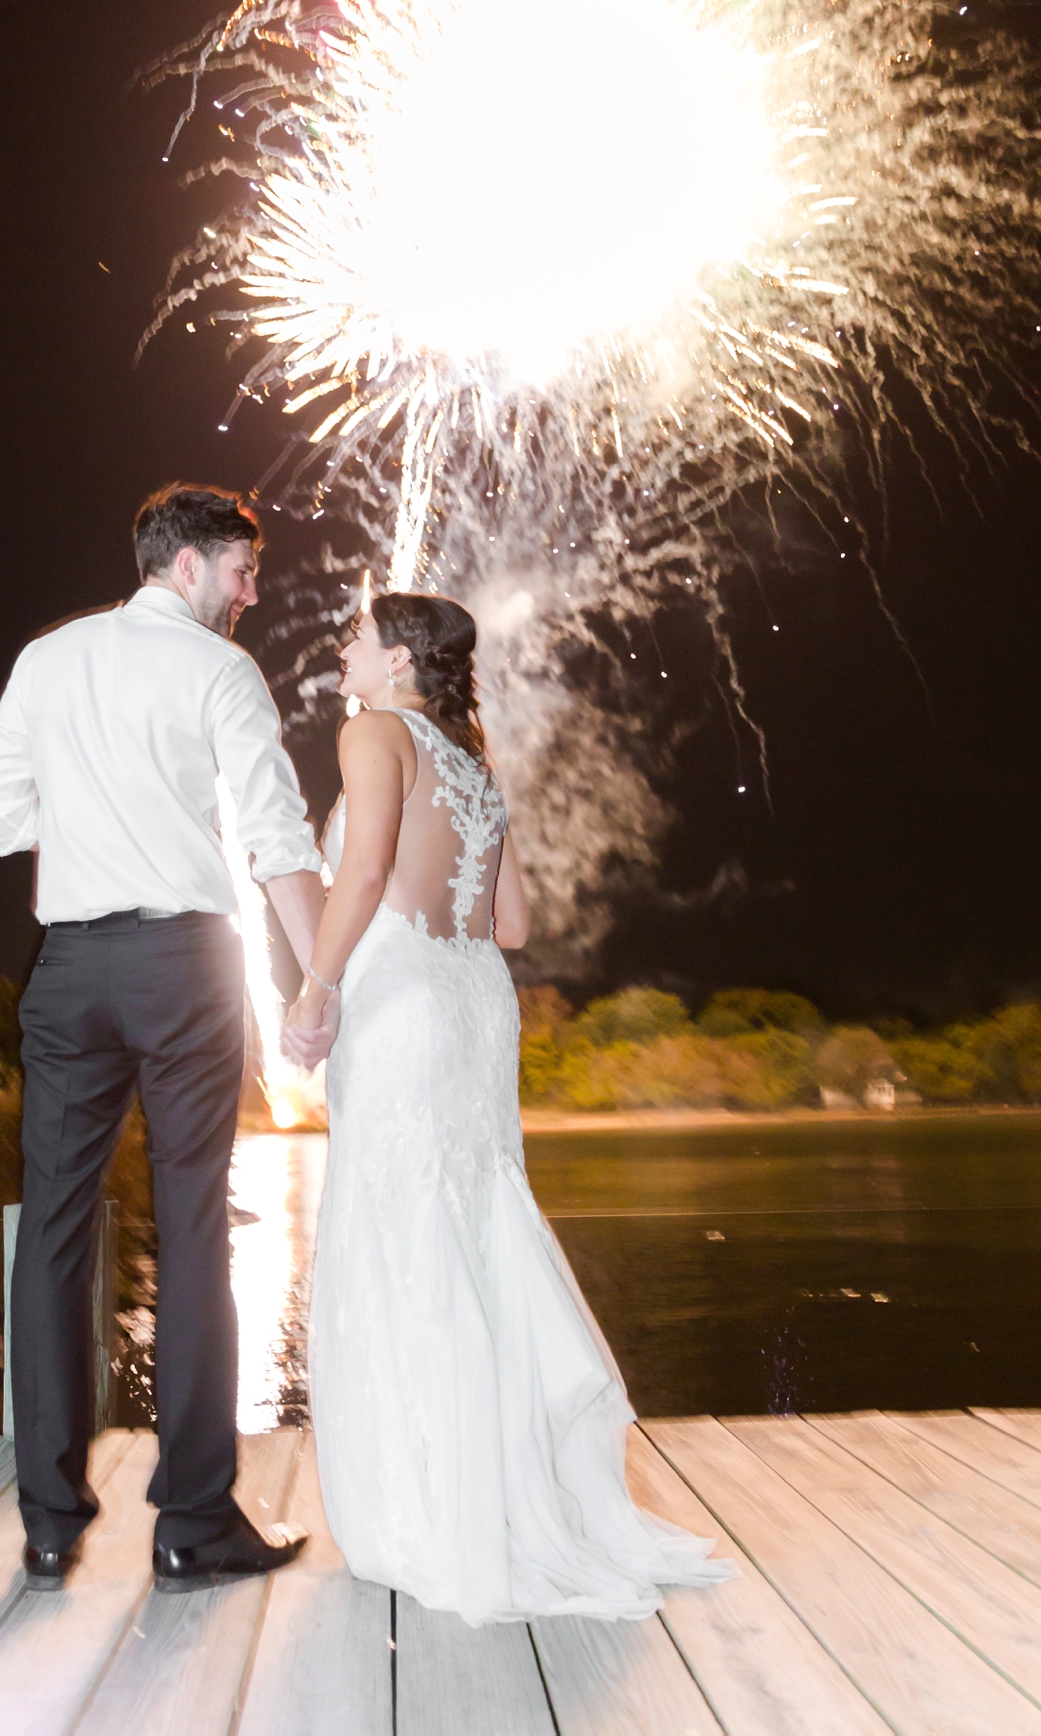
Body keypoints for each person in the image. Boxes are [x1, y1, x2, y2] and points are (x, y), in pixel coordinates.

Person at [285, 591, 729, 1624]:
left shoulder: (373, 735)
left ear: (397, 658)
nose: (344, 651)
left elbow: (360, 874)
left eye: (357, 637)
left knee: (403, 1237)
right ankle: (513, 1493)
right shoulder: (472, 762)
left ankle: (431, 1507)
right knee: (478, 1225)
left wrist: (318, 986)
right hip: (477, 1002)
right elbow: (515, 923)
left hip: (401, 1004)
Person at [0, 484, 325, 1593]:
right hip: (181, 967)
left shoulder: (49, 658)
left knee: (54, 1241)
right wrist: (323, 978)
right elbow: (272, 830)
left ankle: (47, 1521)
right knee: (192, 1230)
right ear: (186, 567)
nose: (251, 594)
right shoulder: (219, 671)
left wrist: (78, 820)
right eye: (240, 571)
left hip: (69, 972)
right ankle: (192, 1524)